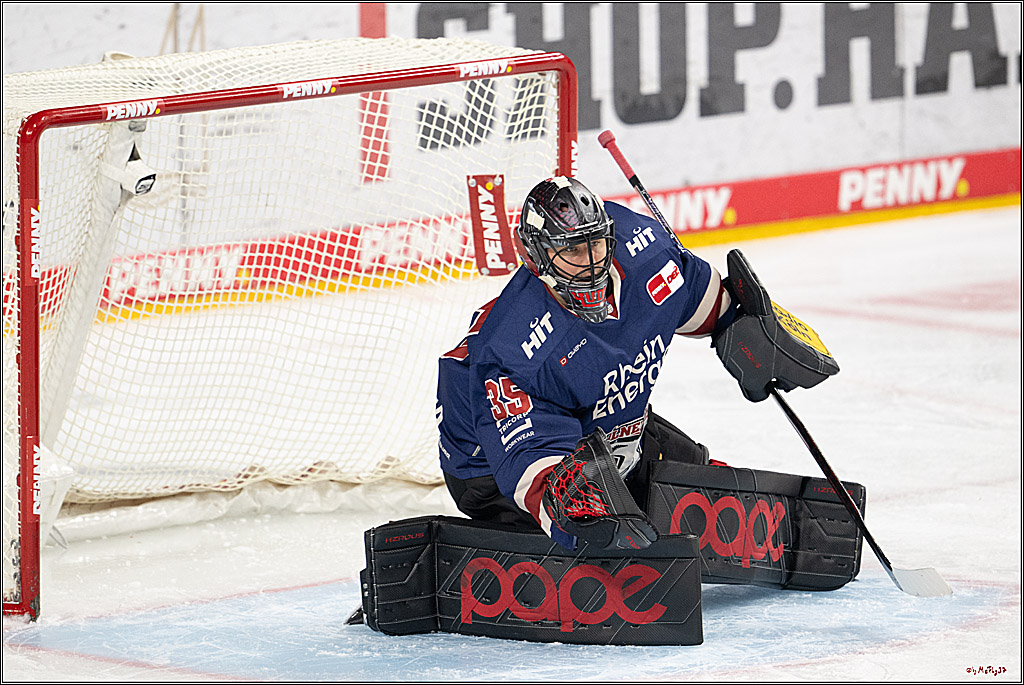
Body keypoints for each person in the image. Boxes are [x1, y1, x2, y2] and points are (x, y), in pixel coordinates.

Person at [435, 176, 826, 552]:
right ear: (537, 259)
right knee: (605, 521)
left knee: (705, 488)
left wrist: (737, 325)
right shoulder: (513, 349)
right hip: (490, 467)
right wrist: (575, 509)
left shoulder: (642, 249)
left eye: (596, 244)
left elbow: (690, 292)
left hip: (603, 417)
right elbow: (534, 473)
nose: (591, 261)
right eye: (572, 250)